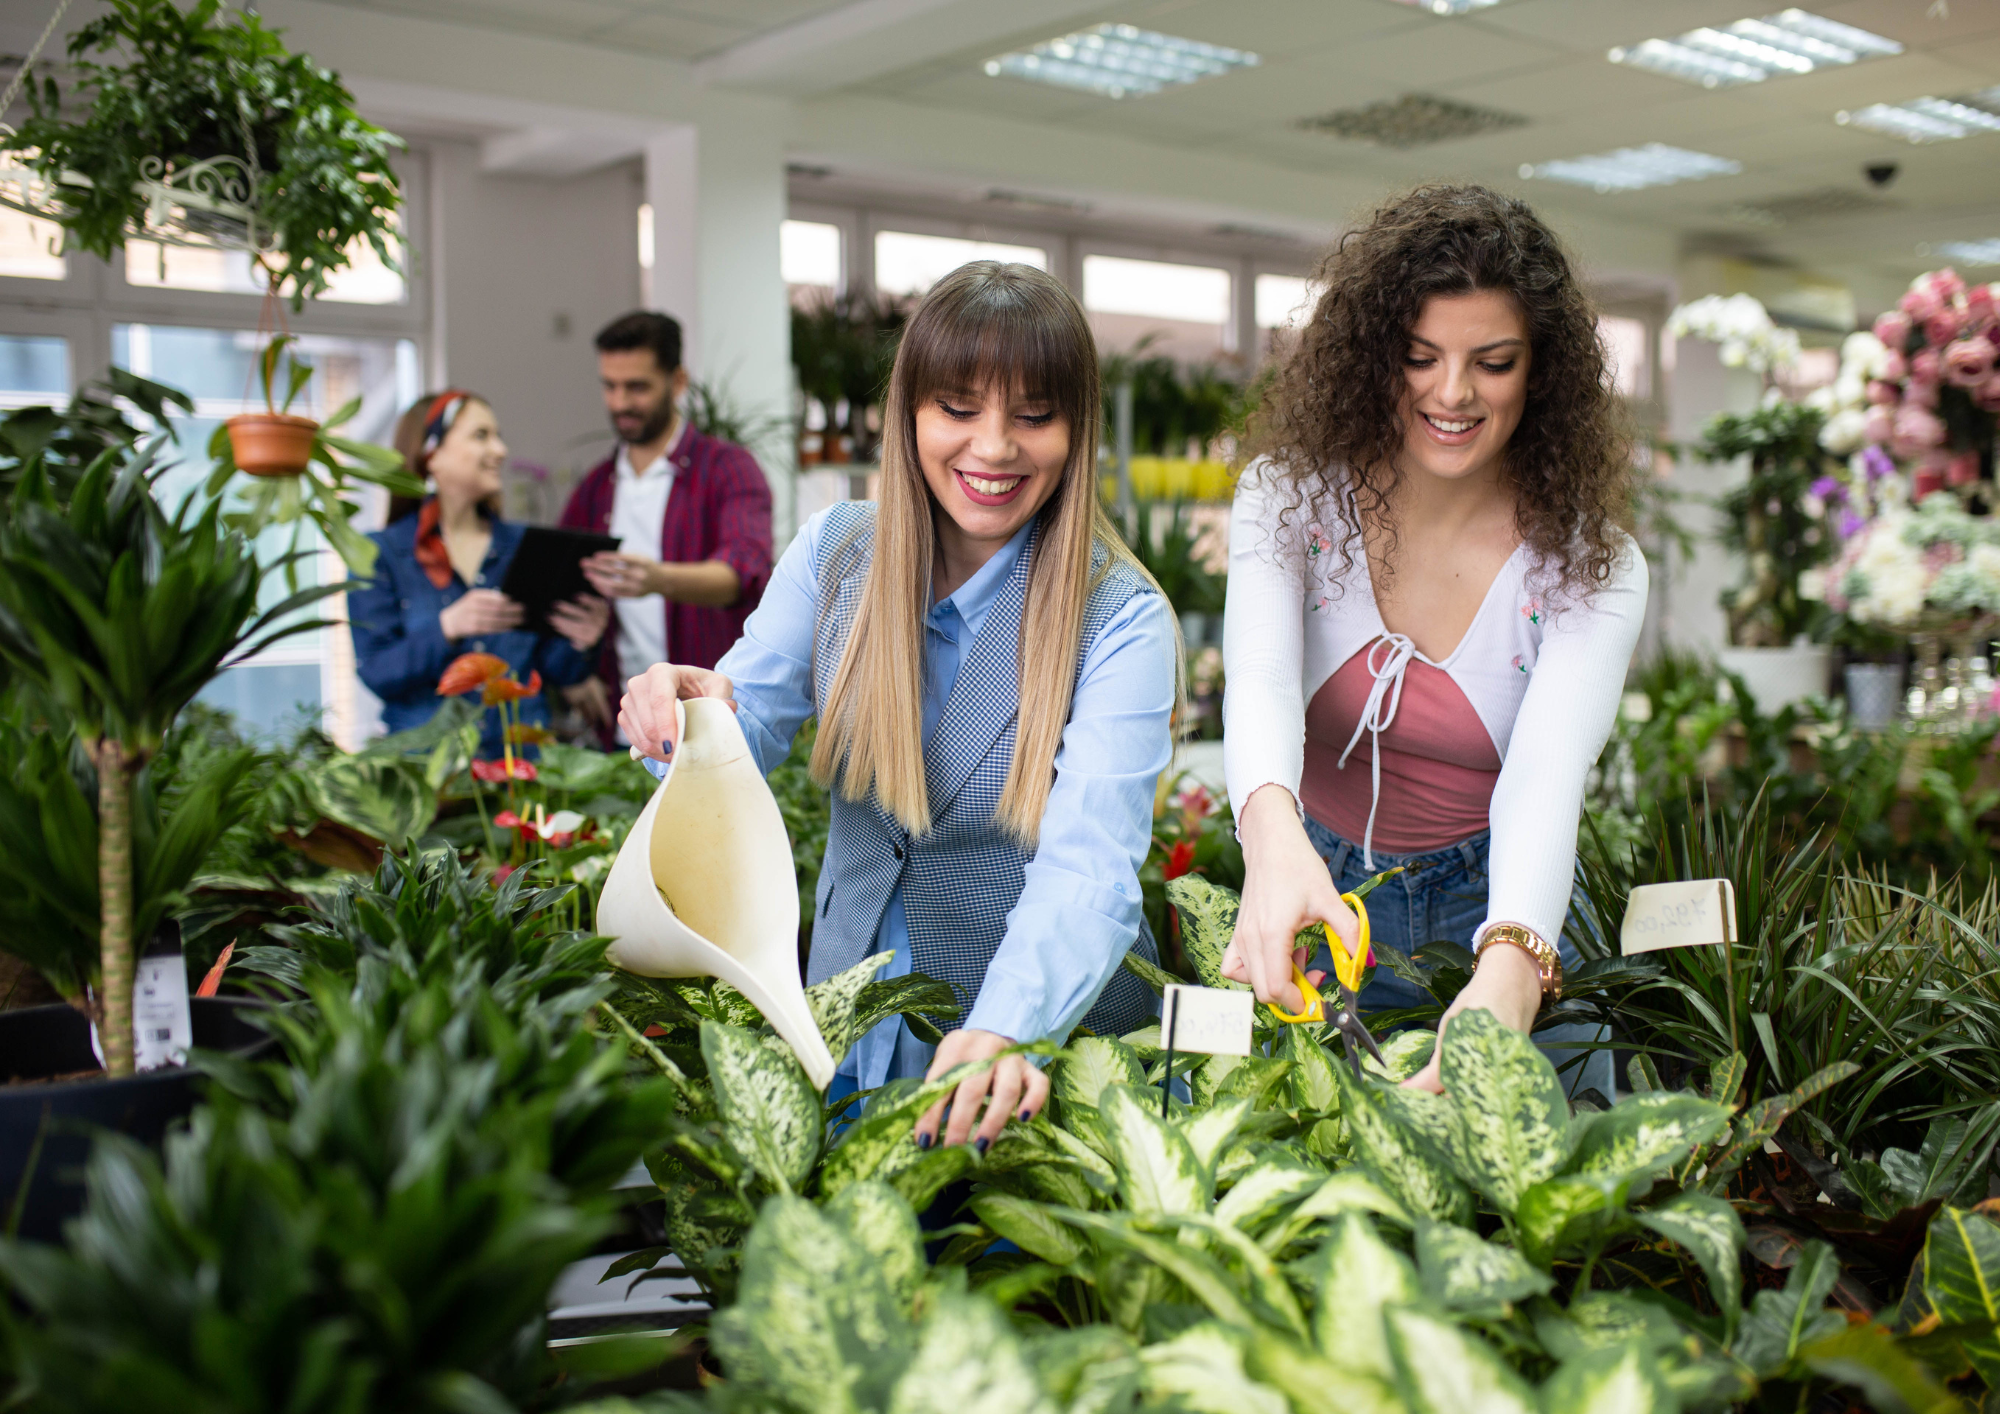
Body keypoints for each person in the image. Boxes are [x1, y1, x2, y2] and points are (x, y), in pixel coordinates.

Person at [619, 263, 1178, 1150]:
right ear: (909, 413)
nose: (993, 448)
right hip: (846, 1028)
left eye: (1033, 416)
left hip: (1031, 1056)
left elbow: (1090, 867)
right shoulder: (839, 553)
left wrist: (1006, 1029)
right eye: (958, 409)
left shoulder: (1118, 618)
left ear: (1076, 431)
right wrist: (679, 717)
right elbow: (739, 725)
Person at [1221, 185, 1648, 1098]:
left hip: (1502, 898)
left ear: (1542, 372)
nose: (1452, 393)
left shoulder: (1589, 564)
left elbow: (1546, 775)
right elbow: (1257, 677)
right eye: (1421, 357)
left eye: (1491, 362)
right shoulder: (1290, 497)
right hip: (1316, 887)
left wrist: (1512, 962)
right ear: (1377, 357)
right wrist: (1271, 838)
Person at [350, 390, 609, 758]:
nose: (501, 450)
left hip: (522, 772)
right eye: (481, 436)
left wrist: (583, 643)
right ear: (432, 453)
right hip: (429, 780)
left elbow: (555, 668)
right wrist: (448, 627)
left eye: (498, 436)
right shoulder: (379, 555)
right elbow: (376, 671)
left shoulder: (526, 546)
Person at [558, 310, 775, 742]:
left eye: (637, 387)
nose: (620, 403)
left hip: (708, 727)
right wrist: (571, 671)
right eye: (610, 386)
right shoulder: (597, 487)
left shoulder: (728, 469)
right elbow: (561, 588)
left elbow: (743, 572)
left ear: (677, 382)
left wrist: (657, 579)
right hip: (622, 733)